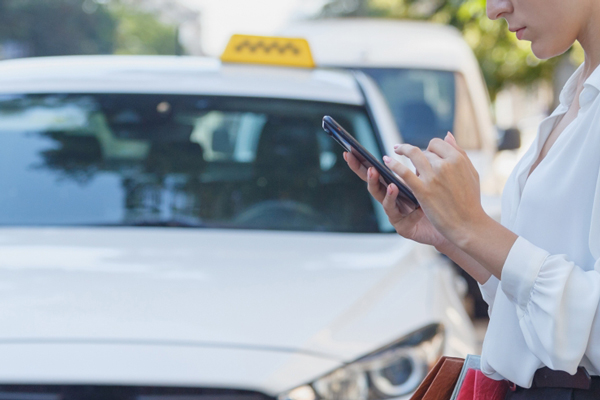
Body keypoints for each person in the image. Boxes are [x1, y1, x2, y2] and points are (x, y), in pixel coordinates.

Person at [344, 0, 600, 398]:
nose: (494, 10)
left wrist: (471, 226)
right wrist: (452, 236)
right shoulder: (577, 97)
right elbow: (534, 314)